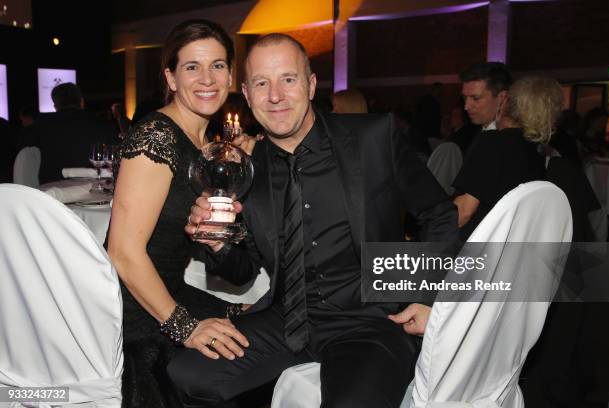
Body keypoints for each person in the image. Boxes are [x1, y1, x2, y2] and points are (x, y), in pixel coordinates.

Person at [174, 33, 459, 407]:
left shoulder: (373, 137)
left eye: (288, 80)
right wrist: (217, 244)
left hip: (370, 321)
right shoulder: (246, 170)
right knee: (188, 373)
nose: (275, 95)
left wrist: (426, 297)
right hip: (286, 320)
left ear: (310, 85)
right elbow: (243, 271)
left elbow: (438, 214)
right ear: (246, 93)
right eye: (262, 83)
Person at [105, 20, 251, 408]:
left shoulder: (207, 143)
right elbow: (121, 252)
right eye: (192, 67)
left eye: (218, 65)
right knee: (230, 366)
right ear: (170, 77)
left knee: (255, 327)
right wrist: (185, 328)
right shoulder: (157, 136)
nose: (207, 78)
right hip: (131, 308)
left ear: (231, 75)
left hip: (168, 289)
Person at [453, 77, 562, 240]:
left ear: (505, 103)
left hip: (476, 246)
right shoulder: (537, 152)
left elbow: (463, 213)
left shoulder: (491, 141)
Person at [26, 82, 116, 183]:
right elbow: (114, 157)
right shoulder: (103, 124)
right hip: (94, 189)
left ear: (55, 106)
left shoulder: (42, 124)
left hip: (51, 190)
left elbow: (22, 147)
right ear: (82, 102)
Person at [459, 62, 512, 157]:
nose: (466, 107)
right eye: (464, 98)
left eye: (475, 98)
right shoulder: (469, 136)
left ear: (502, 97)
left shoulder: (509, 144)